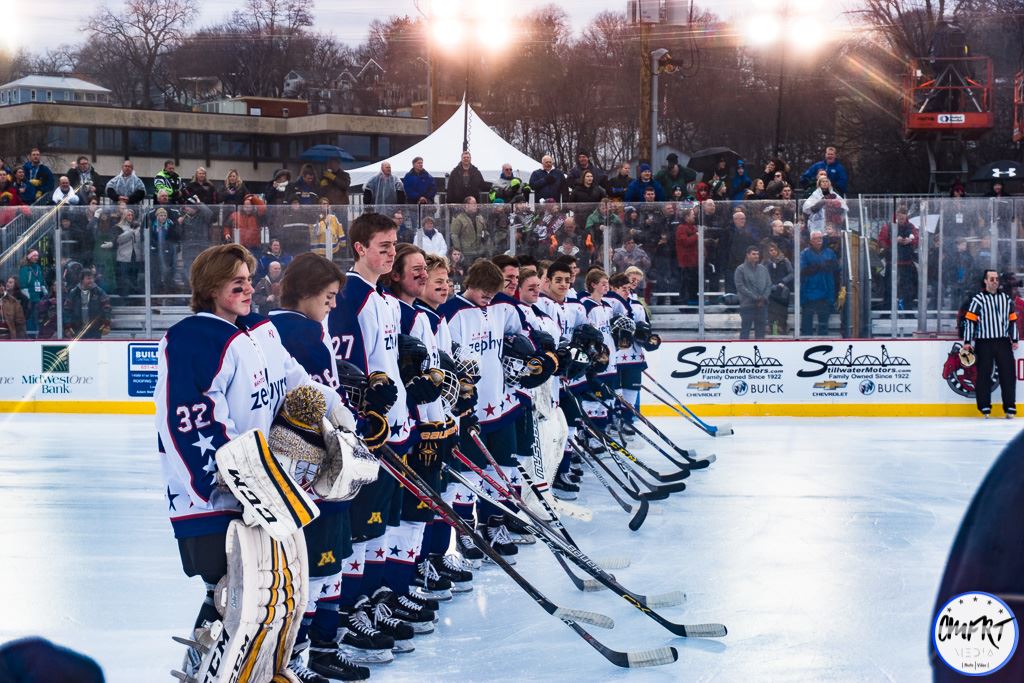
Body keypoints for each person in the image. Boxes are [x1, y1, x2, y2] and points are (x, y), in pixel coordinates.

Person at [155, 243, 341, 681]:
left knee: (267, 597)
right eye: (234, 281)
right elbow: (188, 419)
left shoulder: (257, 329)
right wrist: (236, 479)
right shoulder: (193, 338)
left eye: (248, 279)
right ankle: (208, 674)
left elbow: (293, 380)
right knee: (233, 596)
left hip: (266, 491)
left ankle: (255, 671)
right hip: (215, 498)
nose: (247, 287)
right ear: (210, 287)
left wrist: (334, 410)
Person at [267, 252, 374, 680]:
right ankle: (311, 652)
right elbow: (318, 401)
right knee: (323, 558)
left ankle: (308, 650)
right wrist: (353, 424)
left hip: (291, 466)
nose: (332, 304)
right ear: (308, 292)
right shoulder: (303, 332)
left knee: (314, 560)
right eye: (328, 296)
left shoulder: (269, 327)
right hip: (312, 465)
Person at [962, 269, 1019, 418]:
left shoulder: (1006, 299)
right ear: (985, 281)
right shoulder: (978, 299)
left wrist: (1014, 339)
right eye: (991, 279)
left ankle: (1010, 406)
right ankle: (984, 406)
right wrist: (967, 341)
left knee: (1008, 375)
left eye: (996, 279)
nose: (995, 281)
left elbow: (1012, 321)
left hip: (1002, 341)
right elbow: (970, 321)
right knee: (983, 375)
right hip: (984, 342)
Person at [878, 205, 920, 308]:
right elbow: (881, 241)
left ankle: (908, 310)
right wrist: (894, 241)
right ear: (896, 215)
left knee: (908, 288)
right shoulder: (888, 226)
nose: (902, 220)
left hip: (906, 261)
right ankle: (887, 311)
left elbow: (917, 239)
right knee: (889, 287)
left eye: (903, 217)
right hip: (892, 261)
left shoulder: (911, 227)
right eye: (900, 217)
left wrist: (910, 241)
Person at [799, 230, 839, 336]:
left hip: (825, 293)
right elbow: (802, 270)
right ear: (811, 241)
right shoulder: (804, 253)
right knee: (806, 325)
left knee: (823, 325)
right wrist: (818, 266)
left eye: (820, 238)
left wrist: (828, 265)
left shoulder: (829, 252)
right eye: (816, 238)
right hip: (808, 293)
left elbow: (836, 268)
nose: (819, 241)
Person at [734, 245, 771, 340]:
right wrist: (756, 298)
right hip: (747, 305)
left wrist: (763, 298)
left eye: (757, 254)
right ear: (747, 255)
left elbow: (769, 284)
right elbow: (740, 286)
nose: (756, 256)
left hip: (762, 305)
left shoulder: (763, 269)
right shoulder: (740, 269)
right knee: (745, 331)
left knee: (761, 332)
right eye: (754, 254)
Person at [63, 269, 111, 339]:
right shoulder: (73, 293)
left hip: (95, 330)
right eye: (88, 278)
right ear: (82, 280)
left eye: (92, 278)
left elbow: (107, 307)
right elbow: (67, 310)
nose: (91, 280)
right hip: (77, 329)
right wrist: (67, 326)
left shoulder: (99, 292)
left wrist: (106, 323)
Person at [765, 242, 793, 335]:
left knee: (782, 313)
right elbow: (763, 275)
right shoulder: (766, 262)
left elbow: (791, 274)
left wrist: (783, 282)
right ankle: (773, 332)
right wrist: (770, 285)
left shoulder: (785, 261)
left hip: (783, 290)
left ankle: (782, 331)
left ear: (777, 250)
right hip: (771, 290)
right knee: (772, 313)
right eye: (770, 250)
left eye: (774, 250)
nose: (772, 252)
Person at [675, 207, 699, 305]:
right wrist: (696, 236)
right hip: (686, 261)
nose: (694, 216)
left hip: (694, 261)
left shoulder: (694, 228)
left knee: (693, 283)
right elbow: (685, 242)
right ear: (686, 217)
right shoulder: (681, 228)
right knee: (686, 283)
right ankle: (685, 302)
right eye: (692, 214)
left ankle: (693, 300)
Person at [18, 250, 46, 335]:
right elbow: (23, 285)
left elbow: (41, 281)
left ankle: (39, 335)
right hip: (30, 299)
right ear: (29, 257)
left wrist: (44, 291)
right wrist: (28, 297)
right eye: (34, 256)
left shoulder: (37, 267)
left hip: (38, 298)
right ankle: (31, 336)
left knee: (38, 318)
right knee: (31, 318)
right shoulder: (24, 269)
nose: (36, 258)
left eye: (37, 256)